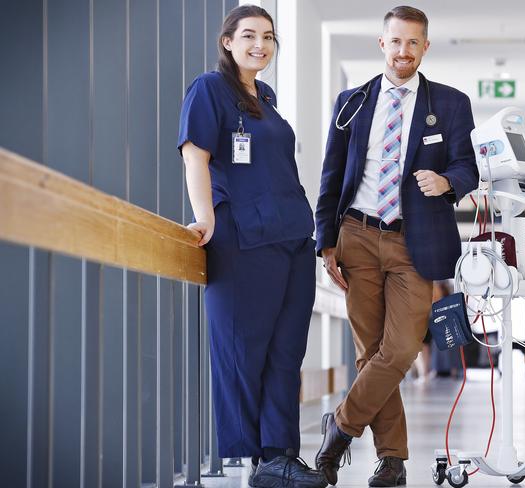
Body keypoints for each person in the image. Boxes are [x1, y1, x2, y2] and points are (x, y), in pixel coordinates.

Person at [314, 6, 479, 486]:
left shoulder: (449, 103)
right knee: (370, 353)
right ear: (381, 44)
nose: (403, 51)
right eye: (396, 42)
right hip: (357, 235)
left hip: (414, 241)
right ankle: (392, 461)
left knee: (401, 348)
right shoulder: (352, 102)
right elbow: (331, 176)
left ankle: (341, 426)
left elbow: (468, 167)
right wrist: (326, 241)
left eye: (413, 43)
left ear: (425, 47)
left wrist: (447, 180)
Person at [177, 5, 326, 488]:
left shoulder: (265, 96)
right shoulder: (208, 89)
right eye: (248, 35)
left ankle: (280, 456)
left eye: (268, 35)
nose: (259, 44)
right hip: (242, 238)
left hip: (292, 238)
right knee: (244, 350)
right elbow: (194, 154)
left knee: (286, 352)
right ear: (227, 41)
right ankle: (247, 458)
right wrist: (205, 217)